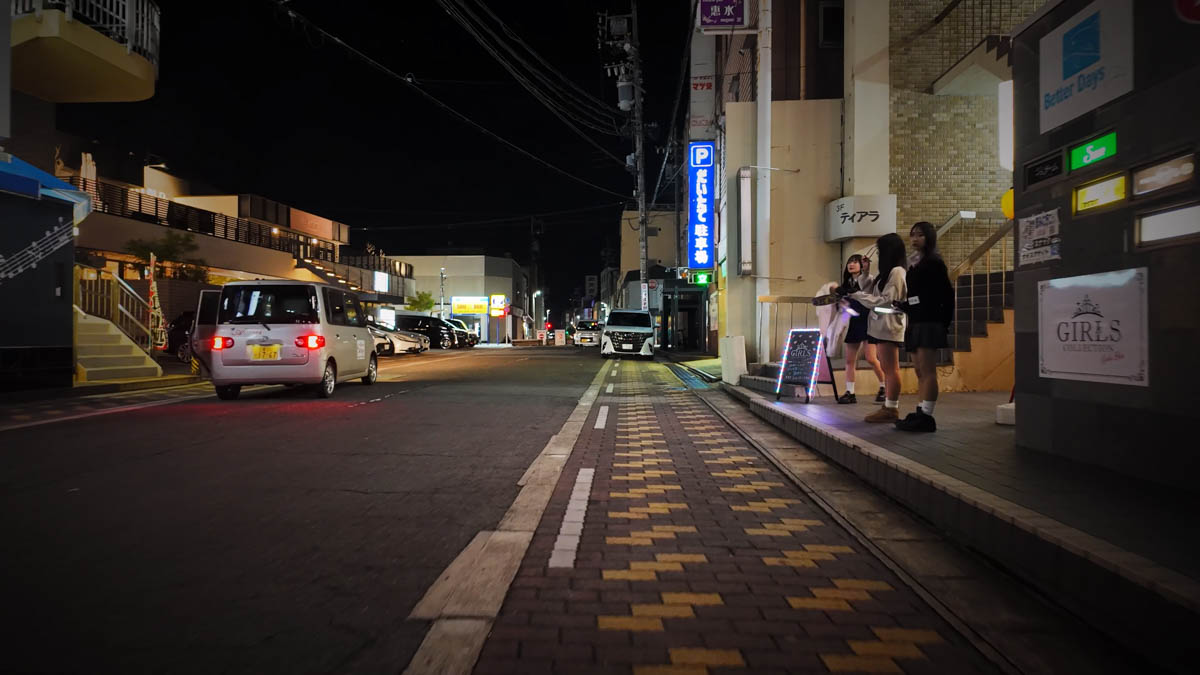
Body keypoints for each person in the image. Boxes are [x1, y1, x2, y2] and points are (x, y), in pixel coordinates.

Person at [896, 221, 954, 432]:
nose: (914, 239)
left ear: (929, 237)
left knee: (928, 370)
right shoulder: (913, 264)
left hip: (930, 321)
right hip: (916, 320)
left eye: (920, 235)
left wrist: (944, 321)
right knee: (919, 370)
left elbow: (946, 295)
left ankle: (927, 415)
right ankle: (921, 410)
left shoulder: (934, 263)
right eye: (912, 235)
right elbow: (915, 296)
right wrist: (904, 305)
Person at [849, 233, 908, 423]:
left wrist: (856, 295)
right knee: (888, 367)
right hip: (880, 325)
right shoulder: (887, 272)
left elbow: (886, 301)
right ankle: (889, 406)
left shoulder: (897, 271)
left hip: (890, 325)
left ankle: (891, 408)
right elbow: (871, 292)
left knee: (891, 368)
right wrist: (865, 273)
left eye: (881, 250)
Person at [835, 254, 885, 404]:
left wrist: (866, 269)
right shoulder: (845, 284)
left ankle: (884, 387)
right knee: (850, 359)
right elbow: (842, 306)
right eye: (850, 262)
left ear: (862, 265)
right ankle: (850, 392)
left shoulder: (868, 279)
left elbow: (866, 285)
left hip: (868, 320)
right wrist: (841, 304)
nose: (851, 264)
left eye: (855, 262)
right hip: (855, 322)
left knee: (871, 358)